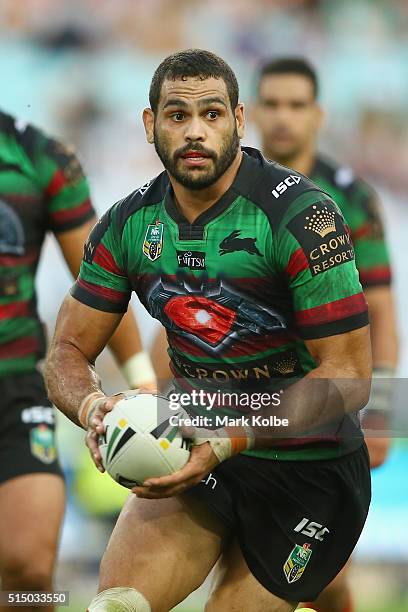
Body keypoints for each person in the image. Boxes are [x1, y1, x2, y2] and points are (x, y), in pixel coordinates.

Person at [45, 49, 372, 612]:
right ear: (150, 126)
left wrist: (231, 438)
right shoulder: (129, 224)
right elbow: (67, 350)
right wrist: (91, 406)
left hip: (308, 469)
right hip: (193, 452)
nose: (195, 132)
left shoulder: (302, 217)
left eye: (212, 115)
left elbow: (349, 376)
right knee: (115, 607)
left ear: (239, 122)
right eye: (177, 116)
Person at [251, 57, 398, 612]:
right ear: (252, 114)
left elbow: (381, 311)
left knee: (325, 576)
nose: (283, 118)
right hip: (247, 388)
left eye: (296, 105)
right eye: (273, 104)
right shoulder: (228, 191)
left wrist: (383, 407)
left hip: (330, 395)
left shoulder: (351, 198)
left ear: (318, 115)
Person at [0, 110, 155, 612]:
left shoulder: (41, 158)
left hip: (16, 382)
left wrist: (142, 378)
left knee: (27, 567)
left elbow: (100, 280)